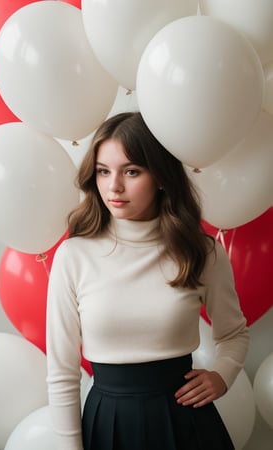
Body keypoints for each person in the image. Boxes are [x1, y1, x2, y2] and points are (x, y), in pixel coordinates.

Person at [46, 111, 249, 450]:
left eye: (131, 171)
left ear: (160, 176)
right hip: (107, 422)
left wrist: (222, 376)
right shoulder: (74, 256)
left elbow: (234, 334)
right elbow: (63, 373)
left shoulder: (201, 252)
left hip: (185, 419)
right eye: (103, 171)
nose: (114, 186)